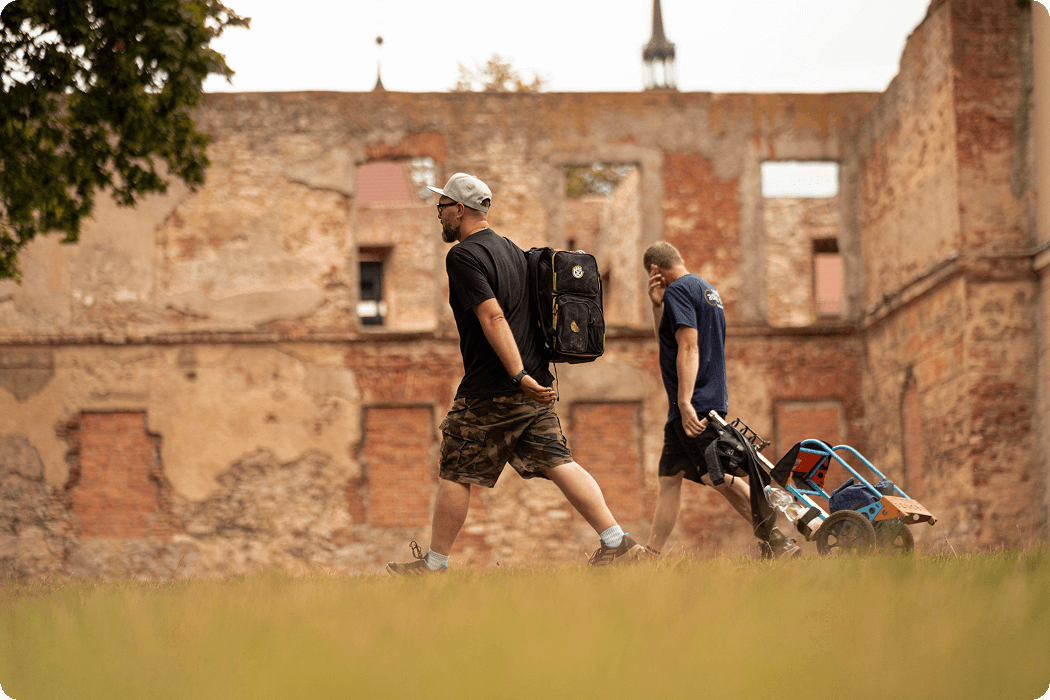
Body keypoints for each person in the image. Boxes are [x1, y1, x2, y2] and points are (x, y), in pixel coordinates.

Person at [387, 173, 643, 575]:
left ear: (459, 209)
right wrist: (529, 377)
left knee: (457, 467)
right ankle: (617, 541)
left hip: (496, 385)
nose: (438, 216)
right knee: (558, 461)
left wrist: (517, 374)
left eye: (441, 207)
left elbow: (492, 316)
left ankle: (434, 566)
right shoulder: (514, 252)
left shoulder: (463, 256)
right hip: (535, 383)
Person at [641, 241, 800, 559]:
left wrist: (685, 401)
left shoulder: (678, 292)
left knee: (722, 477)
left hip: (694, 405)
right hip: (695, 404)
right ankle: (651, 554)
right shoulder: (706, 290)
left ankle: (777, 540)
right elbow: (674, 342)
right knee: (670, 479)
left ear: (655, 271)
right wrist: (657, 306)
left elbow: (689, 346)